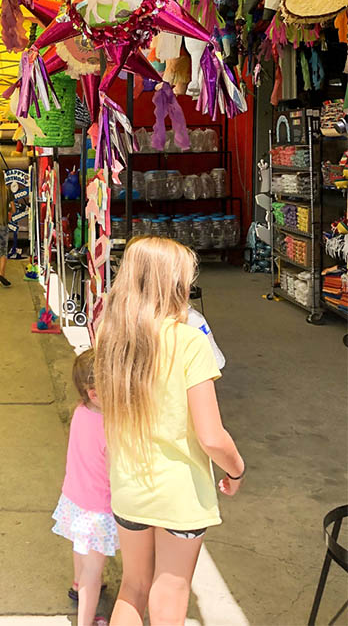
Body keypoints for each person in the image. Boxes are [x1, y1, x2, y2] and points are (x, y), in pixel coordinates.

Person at [95, 237, 244, 626]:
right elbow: (212, 436)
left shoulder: (110, 336)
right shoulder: (190, 343)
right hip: (180, 493)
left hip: (128, 486)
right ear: (172, 283)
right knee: (170, 592)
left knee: (133, 586)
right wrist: (236, 469)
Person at [52, 348, 118, 626]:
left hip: (74, 498)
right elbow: (116, 472)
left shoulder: (80, 412)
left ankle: (77, 584)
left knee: (80, 550)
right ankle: (86, 621)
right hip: (97, 509)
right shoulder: (109, 425)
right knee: (95, 569)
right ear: (94, 393)